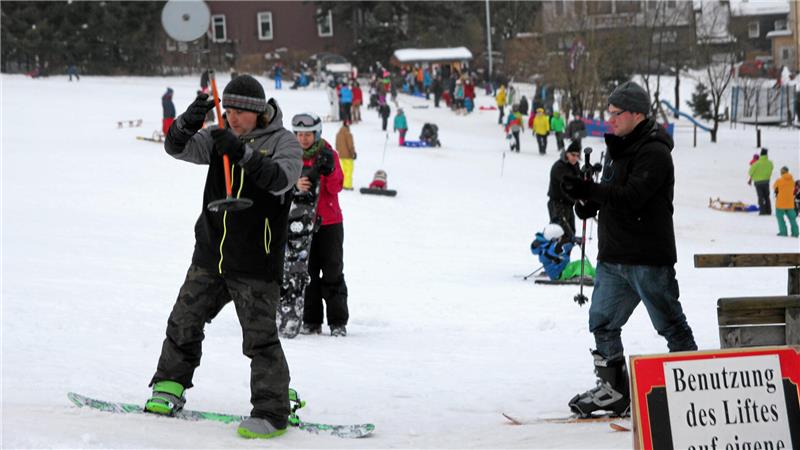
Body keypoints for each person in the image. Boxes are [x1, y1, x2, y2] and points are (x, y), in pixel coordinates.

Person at [146, 75, 303, 439]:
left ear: (258, 112)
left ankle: (271, 409)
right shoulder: (217, 138)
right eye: (226, 110)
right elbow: (176, 148)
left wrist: (243, 153)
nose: (231, 118)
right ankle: (169, 386)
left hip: (256, 262)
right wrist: (187, 122)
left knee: (259, 339)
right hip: (210, 255)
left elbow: (280, 180)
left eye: (238, 112)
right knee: (184, 321)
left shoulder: (284, 142)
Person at [561, 80, 697, 418]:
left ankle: (694, 385)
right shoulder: (616, 148)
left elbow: (633, 197)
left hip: (647, 258)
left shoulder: (655, 152)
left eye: (616, 113)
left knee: (670, 325)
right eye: (608, 113)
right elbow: (611, 194)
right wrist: (587, 204)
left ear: (637, 113)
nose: (610, 119)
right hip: (613, 256)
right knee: (602, 323)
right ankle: (615, 391)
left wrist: (592, 192)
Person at [291, 114, 349, 337]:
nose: (304, 139)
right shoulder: (291, 155)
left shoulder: (328, 153)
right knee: (308, 273)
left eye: (308, 134)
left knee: (333, 272)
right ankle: (311, 320)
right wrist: (295, 183)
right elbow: (279, 182)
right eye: (300, 134)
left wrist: (331, 171)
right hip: (301, 224)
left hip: (330, 223)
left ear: (317, 133)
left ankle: (337, 322)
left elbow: (337, 187)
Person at [548, 141, 581, 237]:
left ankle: (565, 252)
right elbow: (570, 182)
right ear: (567, 153)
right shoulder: (559, 166)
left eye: (577, 155)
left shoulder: (575, 166)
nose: (575, 158)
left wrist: (590, 171)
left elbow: (580, 180)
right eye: (573, 155)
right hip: (557, 203)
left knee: (571, 235)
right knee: (560, 234)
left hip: (568, 204)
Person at [773, 166, 798, 237]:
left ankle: (783, 232)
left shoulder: (779, 180)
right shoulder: (792, 181)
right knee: (792, 219)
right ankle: (795, 233)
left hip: (780, 203)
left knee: (780, 218)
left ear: (782, 172)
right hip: (790, 203)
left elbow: (775, 188)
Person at [748, 148, 774, 215]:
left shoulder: (756, 163)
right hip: (766, 181)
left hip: (758, 182)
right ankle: (769, 211)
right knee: (767, 196)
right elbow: (771, 169)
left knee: (760, 197)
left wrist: (754, 177)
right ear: (766, 155)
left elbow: (750, 172)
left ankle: (762, 211)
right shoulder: (770, 163)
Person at [336, 120, 357, 190]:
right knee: (349, 170)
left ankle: (343, 183)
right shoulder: (348, 134)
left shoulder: (338, 134)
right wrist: (353, 153)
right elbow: (350, 145)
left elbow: (337, 146)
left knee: (344, 170)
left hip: (341, 155)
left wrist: (340, 151)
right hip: (348, 155)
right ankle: (347, 185)